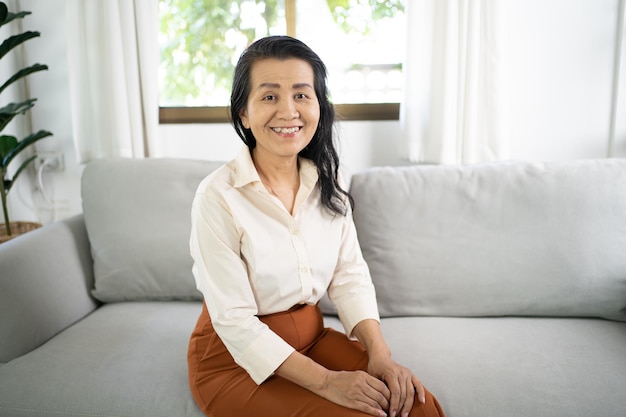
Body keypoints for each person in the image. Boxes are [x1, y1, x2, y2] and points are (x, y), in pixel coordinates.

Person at [188, 36, 445, 417]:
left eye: (302, 95)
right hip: (235, 358)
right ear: (244, 112)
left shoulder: (325, 184)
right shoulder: (218, 196)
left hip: (312, 339)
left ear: (318, 107)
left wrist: (380, 355)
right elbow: (235, 321)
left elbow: (349, 276)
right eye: (270, 96)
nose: (288, 111)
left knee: (417, 407)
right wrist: (328, 384)